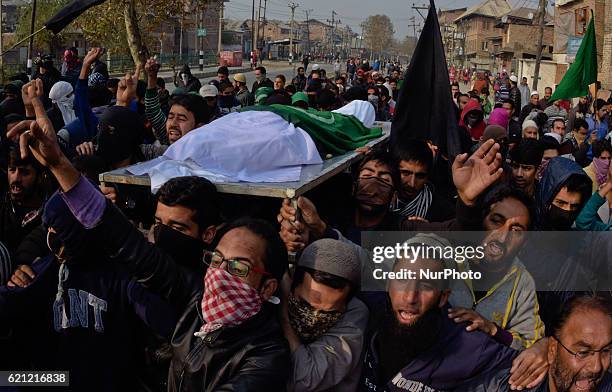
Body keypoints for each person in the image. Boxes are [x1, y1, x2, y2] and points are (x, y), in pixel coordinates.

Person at [6, 96, 292, 389]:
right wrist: (58, 163)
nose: (220, 277)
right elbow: (122, 236)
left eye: (238, 268)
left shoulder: (266, 357)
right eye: (216, 261)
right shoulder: (195, 300)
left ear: (268, 286)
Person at [359, 233, 519, 392]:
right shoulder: (368, 308)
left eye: (426, 286)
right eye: (402, 279)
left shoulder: (467, 343)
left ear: (443, 297)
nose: (410, 297)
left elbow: (528, 370)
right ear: (388, 284)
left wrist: (542, 347)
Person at [448, 186, 545, 350]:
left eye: (516, 230)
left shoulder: (523, 282)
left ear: (525, 242)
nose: (502, 236)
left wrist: (493, 330)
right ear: (482, 220)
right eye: (496, 221)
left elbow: (532, 343)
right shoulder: (449, 257)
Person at [467, 294, 612, 392]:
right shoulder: (497, 386)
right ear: (552, 349)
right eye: (583, 353)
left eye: (606, 351)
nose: (596, 367)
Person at [280, 239, 368, 391]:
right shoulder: (274, 293)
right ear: (292, 282)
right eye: (305, 305)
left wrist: (284, 318)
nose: (313, 318)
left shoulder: (354, 314)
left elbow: (305, 378)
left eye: (327, 312)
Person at [278, 147, 402, 251]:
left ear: (394, 196)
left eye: (384, 181)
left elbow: (371, 264)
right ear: (354, 187)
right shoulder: (336, 216)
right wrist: (301, 237)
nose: (372, 189)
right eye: (367, 176)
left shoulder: (401, 229)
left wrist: (322, 230)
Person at [391, 140, 455, 221]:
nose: (412, 183)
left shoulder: (442, 212)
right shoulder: (380, 198)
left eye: (420, 176)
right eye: (406, 173)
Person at [0, 148, 46, 255]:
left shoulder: (50, 213)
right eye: (12, 170)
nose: (16, 178)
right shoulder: (3, 207)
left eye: (25, 173)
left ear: (39, 177)